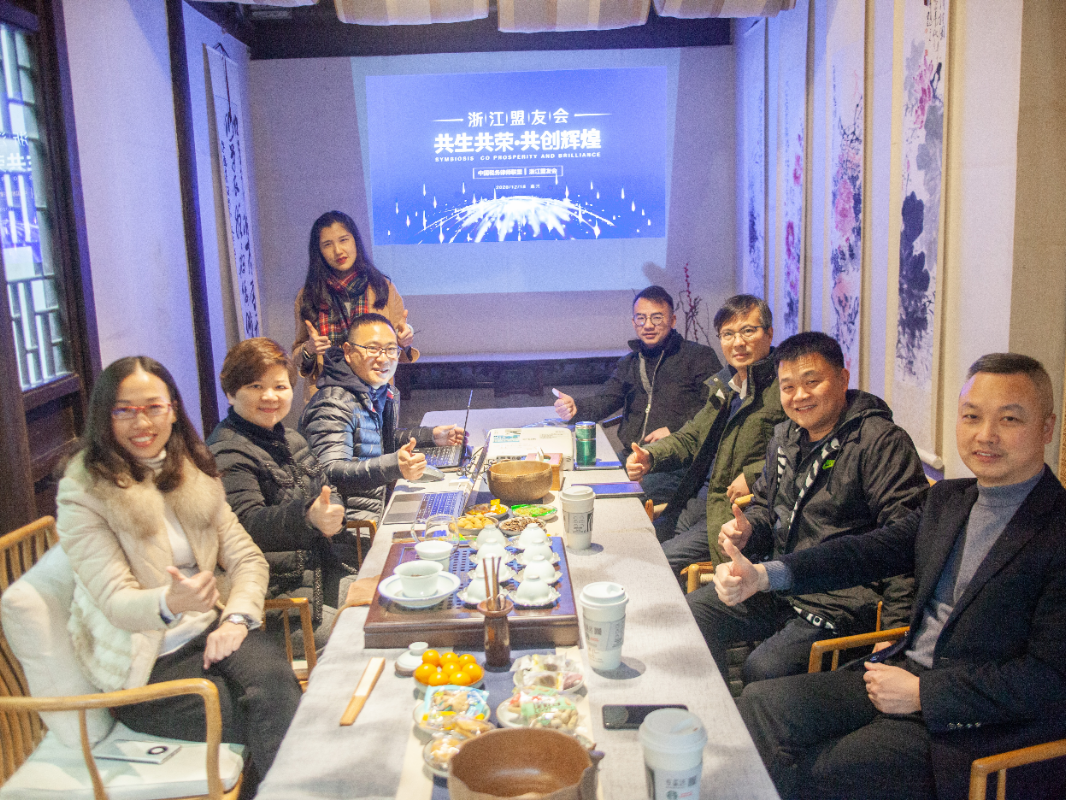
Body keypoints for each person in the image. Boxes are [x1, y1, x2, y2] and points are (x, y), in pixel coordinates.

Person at [718, 353, 1066, 800]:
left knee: (816, 770)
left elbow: (1050, 678)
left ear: (1047, 428)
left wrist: (925, 693)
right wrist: (766, 575)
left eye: (1009, 419)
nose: (986, 435)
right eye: (972, 416)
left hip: (971, 725)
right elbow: (865, 552)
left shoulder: (1055, 529)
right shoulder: (951, 500)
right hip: (899, 672)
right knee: (760, 705)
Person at [55, 356, 300, 784]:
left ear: (172, 409)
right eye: (124, 410)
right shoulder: (85, 492)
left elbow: (246, 557)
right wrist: (170, 602)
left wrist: (237, 617)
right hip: (145, 659)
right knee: (253, 719)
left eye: (153, 407)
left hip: (212, 628)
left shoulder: (192, 470)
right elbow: (115, 601)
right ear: (104, 416)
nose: (141, 422)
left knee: (279, 691)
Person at [690, 331, 927, 683]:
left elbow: (905, 544)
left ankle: (755, 713)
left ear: (843, 379)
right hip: (781, 583)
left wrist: (895, 634)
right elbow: (766, 506)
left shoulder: (880, 442)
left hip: (842, 599)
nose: (799, 396)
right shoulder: (785, 437)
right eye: (788, 387)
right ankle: (713, 707)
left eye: (811, 382)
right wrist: (749, 529)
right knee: (694, 613)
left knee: (763, 668)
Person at [626, 294, 786, 574]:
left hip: (730, 514)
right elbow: (691, 436)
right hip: (695, 502)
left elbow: (797, 449)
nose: (738, 342)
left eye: (748, 331)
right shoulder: (726, 386)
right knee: (632, 549)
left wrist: (753, 476)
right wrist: (651, 456)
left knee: (651, 563)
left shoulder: (784, 389)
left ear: (769, 333)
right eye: (728, 334)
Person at [206, 338, 348, 646]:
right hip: (279, 605)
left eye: (280, 387)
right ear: (231, 393)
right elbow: (248, 524)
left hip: (320, 575)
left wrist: (331, 512)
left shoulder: (291, 438)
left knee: (397, 597)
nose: (270, 396)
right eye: (256, 386)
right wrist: (308, 517)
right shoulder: (227, 451)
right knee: (365, 632)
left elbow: (328, 489)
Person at [299, 313, 464, 537]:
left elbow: (376, 442)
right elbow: (330, 472)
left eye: (391, 349)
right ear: (348, 352)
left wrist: (431, 436)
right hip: (350, 533)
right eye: (373, 349)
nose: (384, 358)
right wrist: (393, 466)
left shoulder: (376, 390)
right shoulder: (333, 403)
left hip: (375, 514)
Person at [553, 285, 721, 504]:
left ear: (672, 320)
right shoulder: (630, 362)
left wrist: (674, 428)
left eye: (656, 318)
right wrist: (576, 407)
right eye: (641, 318)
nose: (648, 325)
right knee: (580, 485)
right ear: (634, 322)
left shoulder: (699, 357)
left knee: (620, 499)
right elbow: (606, 399)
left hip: (677, 463)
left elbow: (714, 407)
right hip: (632, 457)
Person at [294, 210, 417, 402]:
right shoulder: (309, 295)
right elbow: (297, 357)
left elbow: (398, 346)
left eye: (344, 240)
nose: (338, 251)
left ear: (355, 241)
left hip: (375, 396)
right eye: (327, 244)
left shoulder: (382, 287)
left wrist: (404, 340)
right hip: (327, 398)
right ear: (319, 252)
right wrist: (309, 348)